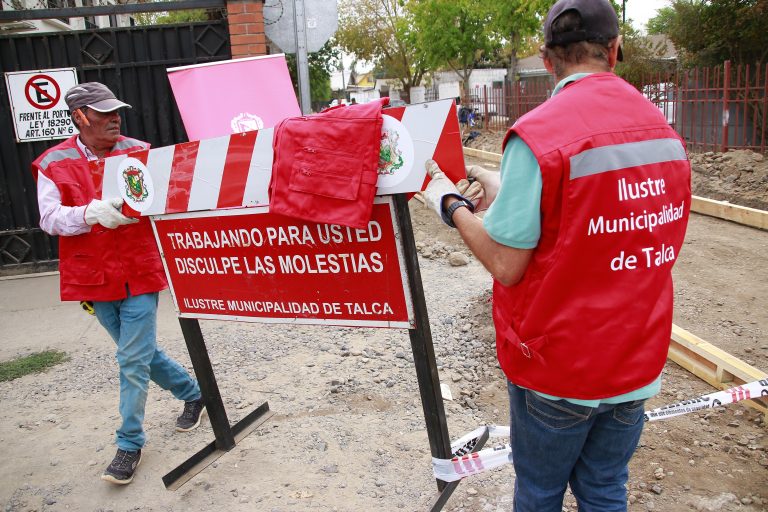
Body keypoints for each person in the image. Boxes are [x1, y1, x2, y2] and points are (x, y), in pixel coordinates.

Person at [424, 0, 691, 510]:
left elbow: (506, 263)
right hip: (635, 359)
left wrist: (452, 207)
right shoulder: (663, 131)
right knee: (605, 488)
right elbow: (603, 217)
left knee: (541, 490)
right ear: (615, 50)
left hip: (561, 366)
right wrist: (511, 191)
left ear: (548, 60)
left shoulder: (541, 134)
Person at [31, 82, 206, 486]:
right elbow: (48, 219)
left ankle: (129, 442)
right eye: (105, 113)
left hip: (140, 269)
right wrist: (89, 213)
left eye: (116, 112)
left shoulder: (138, 150)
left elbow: (164, 196)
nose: (115, 119)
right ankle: (193, 393)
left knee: (131, 359)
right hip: (92, 275)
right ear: (80, 116)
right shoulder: (53, 162)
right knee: (141, 353)